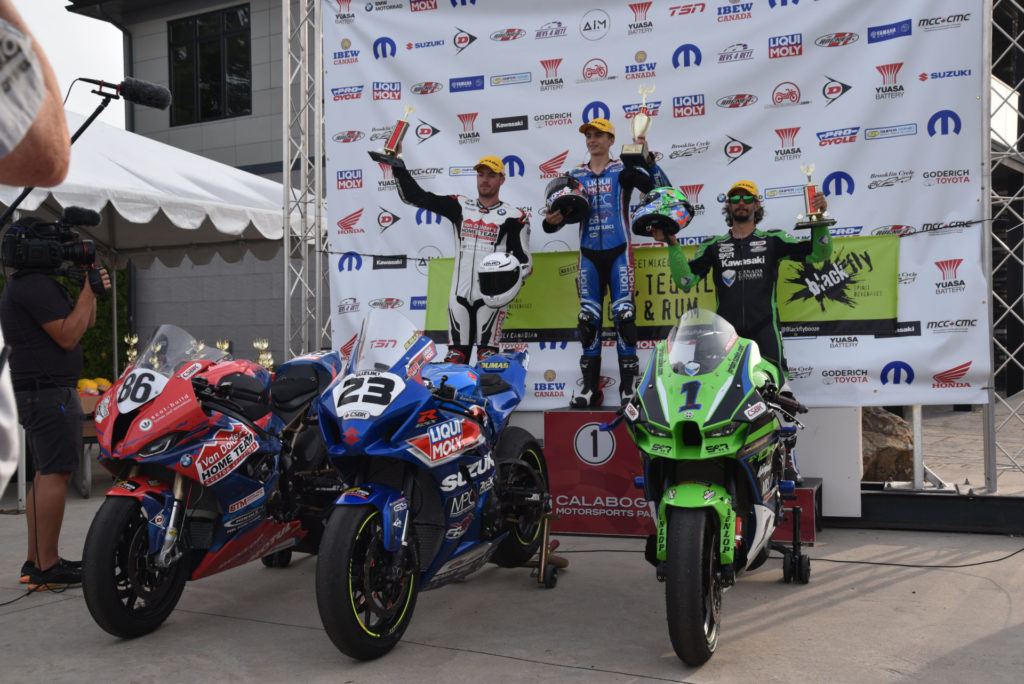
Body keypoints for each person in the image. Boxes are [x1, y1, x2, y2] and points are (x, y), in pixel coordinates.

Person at [646, 180, 833, 479]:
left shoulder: (772, 240)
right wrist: (672, 244)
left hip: (765, 334)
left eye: (748, 198)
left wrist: (820, 221)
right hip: (726, 338)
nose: (741, 202)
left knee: (779, 398)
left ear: (757, 205)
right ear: (728, 206)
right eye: (735, 198)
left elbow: (819, 255)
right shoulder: (715, 246)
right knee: (719, 399)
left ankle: (787, 461)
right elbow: (685, 282)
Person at [0, 0, 84, 591]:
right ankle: (48, 565)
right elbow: (70, 333)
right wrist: (90, 292)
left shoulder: (19, 285)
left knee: (40, 474)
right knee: (54, 470)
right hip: (48, 392)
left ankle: (38, 563)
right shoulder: (34, 286)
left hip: (33, 391)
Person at [541, 118, 671, 407]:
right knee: (588, 321)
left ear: (612, 140)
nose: (592, 140)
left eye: (598, 135)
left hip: (619, 252)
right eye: (588, 135)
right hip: (588, 254)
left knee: (624, 317)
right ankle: (590, 390)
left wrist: (647, 159)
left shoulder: (623, 171)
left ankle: (627, 388)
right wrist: (550, 222)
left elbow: (661, 190)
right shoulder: (574, 176)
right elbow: (553, 222)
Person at [391, 146, 531, 364]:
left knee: (488, 358)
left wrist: (511, 283)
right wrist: (397, 165)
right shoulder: (460, 206)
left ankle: (488, 398)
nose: (485, 180)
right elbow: (415, 197)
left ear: (502, 180)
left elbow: (524, 262)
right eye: (481, 174)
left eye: (491, 175)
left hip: (491, 300)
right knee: (455, 357)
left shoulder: (514, 217)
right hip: (458, 295)